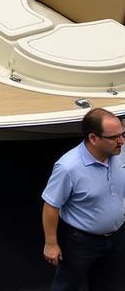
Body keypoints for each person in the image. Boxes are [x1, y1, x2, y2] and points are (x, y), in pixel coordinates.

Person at [41, 108, 125, 289]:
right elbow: (51, 206)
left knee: (109, 285)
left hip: (117, 238)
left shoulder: (119, 152)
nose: (121, 141)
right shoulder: (68, 167)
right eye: (114, 137)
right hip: (80, 243)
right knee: (67, 285)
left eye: (123, 134)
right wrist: (51, 244)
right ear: (93, 138)